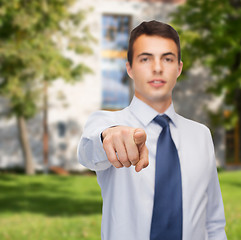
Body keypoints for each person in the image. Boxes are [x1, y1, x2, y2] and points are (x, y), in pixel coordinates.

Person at [77, 20, 227, 240]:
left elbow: (213, 222)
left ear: (179, 68)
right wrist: (110, 137)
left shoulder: (201, 135)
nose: (157, 68)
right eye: (145, 59)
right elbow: (88, 152)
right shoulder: (107, 122)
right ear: (129, 68)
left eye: (167, 59)